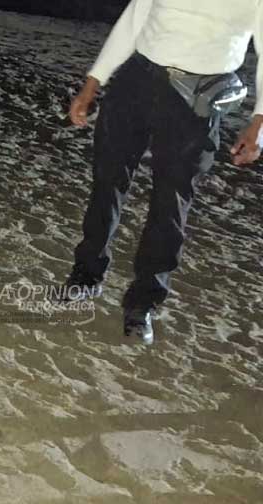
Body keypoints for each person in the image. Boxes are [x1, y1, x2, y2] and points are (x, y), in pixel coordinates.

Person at [64, 0, 263, 344]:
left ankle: (144, 302)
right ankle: (85, 275)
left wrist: (259, 123)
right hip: (137, 80)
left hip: (197, 98)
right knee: (107, 181)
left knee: (171, 202)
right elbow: (132, 21)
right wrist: (92, 83)